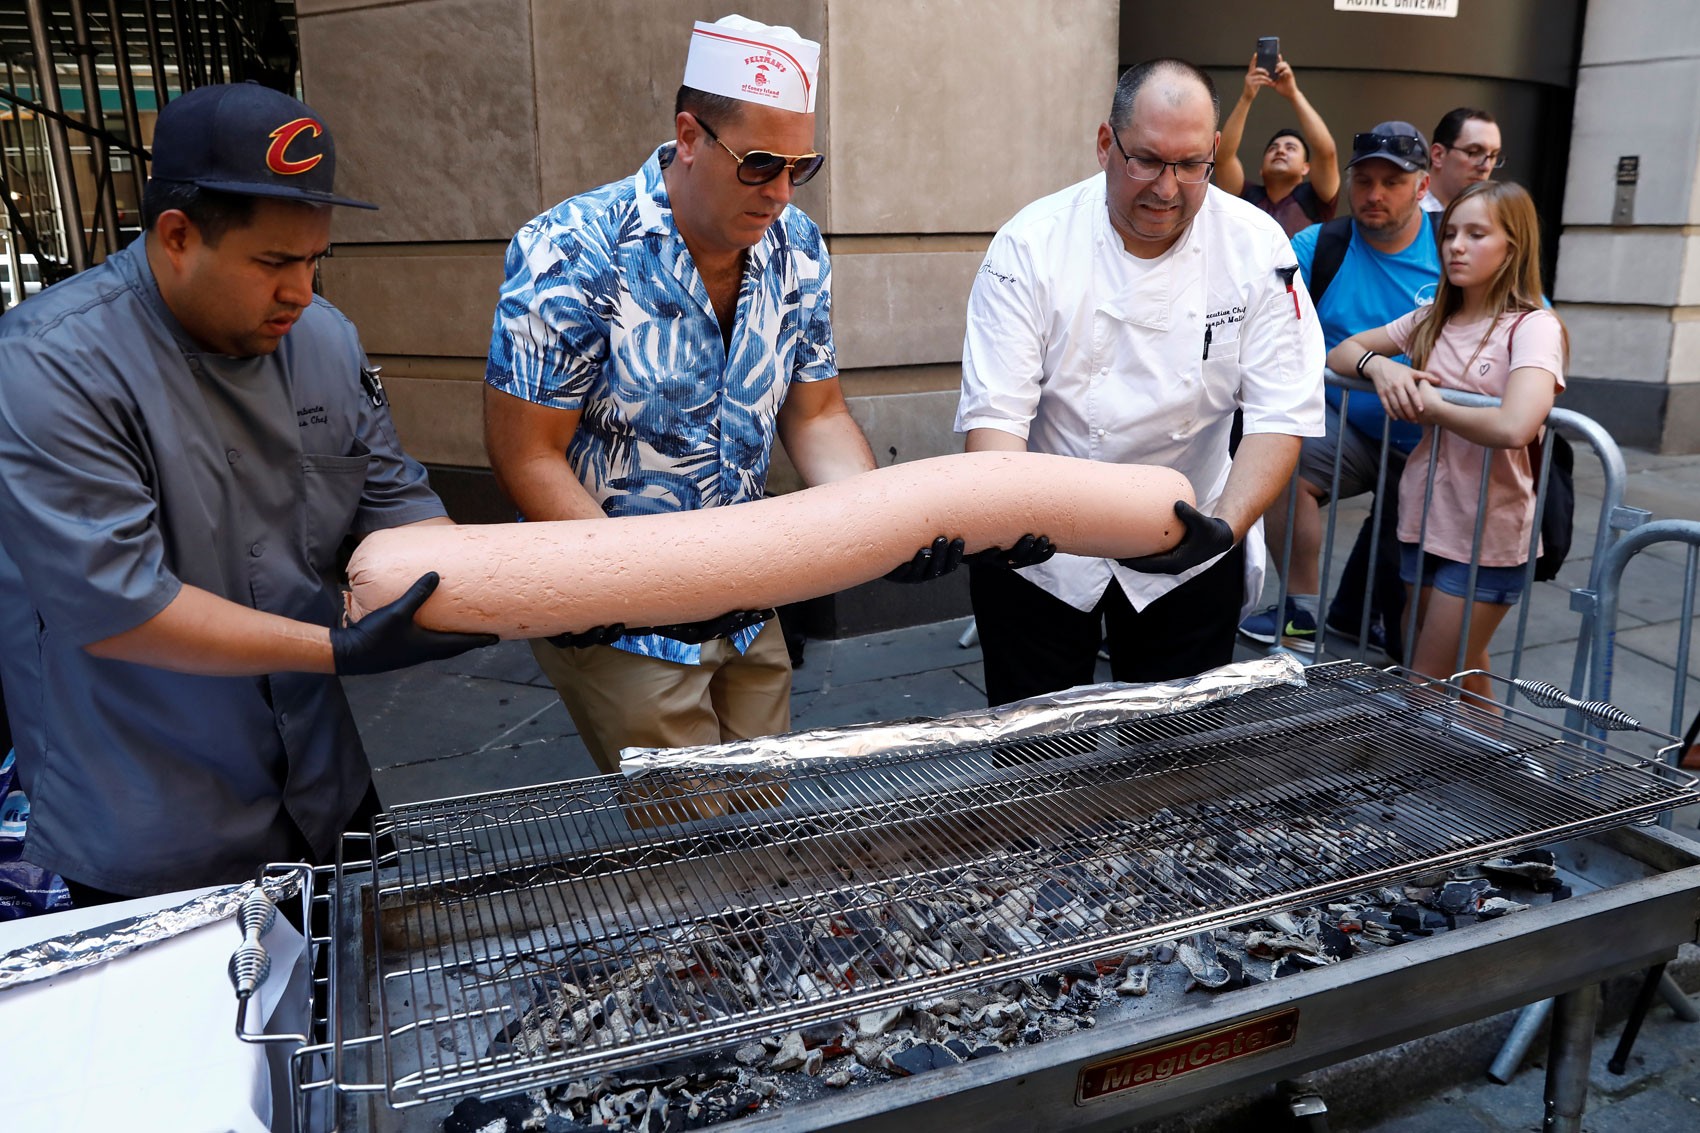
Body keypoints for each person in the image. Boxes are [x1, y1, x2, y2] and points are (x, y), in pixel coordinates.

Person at [485, 15, 1043, 771]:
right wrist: (611, 586)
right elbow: (526, 453)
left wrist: (885, 527)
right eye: (758, 164)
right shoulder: (571, 246)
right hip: (620, 611)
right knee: (689, 833)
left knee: (762, 809)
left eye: (799, 167)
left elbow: (816, 413)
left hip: (752, 595)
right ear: (689, 135)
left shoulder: (798, 248)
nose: (780, 192)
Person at [0, 83, 495, 903]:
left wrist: (535, 598)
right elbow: (117, 602)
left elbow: (397, 505)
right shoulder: (48, 364)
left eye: (313, 260)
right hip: (153, 809)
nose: (300, 291)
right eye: (273, 263)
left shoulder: (325, 340)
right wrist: (335, 648)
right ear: (177, 235)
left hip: (323, 782)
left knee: (364, 1009)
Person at [956, 58, 1325, 707]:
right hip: (1040, 546)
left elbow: (1280, 415)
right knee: (1035, 759)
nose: (1167, 187)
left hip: (1195, 533)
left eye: (1190, 165)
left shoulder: (1258, 247)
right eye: (1147, 161)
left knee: (1174, 762)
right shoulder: (1029, 246)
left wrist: (1226, 525)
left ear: (1214, 153)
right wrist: (1007, 520)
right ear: (1106, 144)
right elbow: (996, 424)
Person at [1326, 181, 1564, 697]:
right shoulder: (1434, 317)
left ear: (1512, 247)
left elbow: (1515, 425)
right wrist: (1380, 370)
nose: (1455, 245)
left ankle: (1408, 774)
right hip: (1424, 517)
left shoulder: (1533, 327)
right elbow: (1341, 353)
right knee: (1464, 668)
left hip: (1488, 533)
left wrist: (1432, 405)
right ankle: (1499, 768)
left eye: (1476, 234)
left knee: (1424, 681)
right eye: (1451, 232)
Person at [1239, 122, 1440, 656]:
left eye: (1392, 183)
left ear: (1422, 187)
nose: (1375, 194)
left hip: (1436, 441)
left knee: (1417, 632)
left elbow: (1530, 323)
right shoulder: (1318, 244)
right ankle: (1299, 613)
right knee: (1284, 457)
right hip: (1344, 425)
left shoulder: (1455, 243)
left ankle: (1427, 683)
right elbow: (1261, 319)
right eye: (1365, 180)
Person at [1214, 53, 1340, 238]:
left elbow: (1326, 152)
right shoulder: (1245, 197)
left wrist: (1294, 94)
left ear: (1306, 168)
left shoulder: (1317, 198)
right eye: (1273, 148)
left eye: (1291, 148)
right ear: (1261, 170)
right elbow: (1223, 157)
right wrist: (1247, 97)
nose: (1280, 150)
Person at [1424, 108, 1502, 215]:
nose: (1487, 167)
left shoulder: (1492, 217)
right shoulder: (1406, 216)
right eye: (1473, 152)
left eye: (1493, 155)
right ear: (1438, 155)